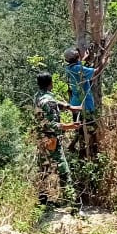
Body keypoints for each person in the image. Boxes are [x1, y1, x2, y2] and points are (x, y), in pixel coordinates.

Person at [34, 72, 81, 210]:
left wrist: (68, 107)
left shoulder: (39, 96)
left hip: (41, 139)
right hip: (51, 139)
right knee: (64, 171)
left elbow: (53, 104)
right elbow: (52, 124)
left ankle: (42, 201)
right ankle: (71, 204)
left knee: (44, 169)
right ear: (50, 84)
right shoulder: (48, 100)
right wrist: (69, 126)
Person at [64, 47, 98, 157]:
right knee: (90, 129)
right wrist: (103, 61)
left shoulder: (69, 68)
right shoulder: (79, 68)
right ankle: (86, 153)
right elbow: (95, 71)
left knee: (79, 128)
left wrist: (83, 58)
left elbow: (79, 66)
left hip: (75, 104)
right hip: (85, 105)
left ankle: (75, 147)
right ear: (77, 58)